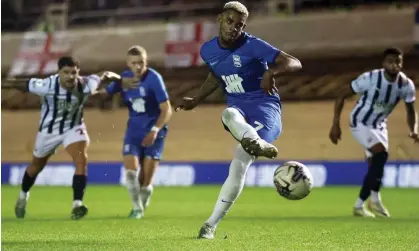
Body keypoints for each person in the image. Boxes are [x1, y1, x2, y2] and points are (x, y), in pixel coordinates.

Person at [175, 1, 302, 239]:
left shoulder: (253, 45)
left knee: (238, 162)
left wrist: (270, 72)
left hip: (265, 109)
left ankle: (211, 223)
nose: (235, 28)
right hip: (239, 112)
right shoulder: (207, 50)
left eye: (240, 25)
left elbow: (294, 62)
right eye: (231, 21)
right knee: (228, 115)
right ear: (220, 19)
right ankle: (210, 226)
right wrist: (196, 100)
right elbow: (216, 75)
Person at [2, 56, 122, 220]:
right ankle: (23, 196)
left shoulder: (86, 84)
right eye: (65, 72)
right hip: (48, 131)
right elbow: (21, 84)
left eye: (73, 72)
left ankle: (77, 204)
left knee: (81, 160)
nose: (70, 76)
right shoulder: (47, 85)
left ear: (78, 72)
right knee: (36, 167)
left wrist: (121, 78)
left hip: (74, 128)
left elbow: (104, 74)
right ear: (58, 73)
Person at [329, 47, 418, 218]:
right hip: (360, 122)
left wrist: (413, 130)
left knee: (376, 165)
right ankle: (359, 205)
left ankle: (375, 201)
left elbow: (410, 110)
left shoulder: (406, 85)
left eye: (398, 61)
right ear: (384, 63)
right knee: (381, 154)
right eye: (390, 61)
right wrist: (335, 125)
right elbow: (341, 95)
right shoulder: (369, 78)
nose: (394, 65)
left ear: (402, 63)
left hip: (379, 125)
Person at [95, 45, 173, 219]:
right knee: (131, 172)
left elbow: (167, 109)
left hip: (155, 133)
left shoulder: (154, 79)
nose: (138, 67)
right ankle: (137, 209)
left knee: (145, 182)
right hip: (134, 131)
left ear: (146, 62)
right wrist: (90, 87)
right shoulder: (125, 78)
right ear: (128, 64)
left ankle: (141, 204)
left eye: (141, 63)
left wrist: (154, 130)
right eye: (134, 63)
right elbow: (103, 93)